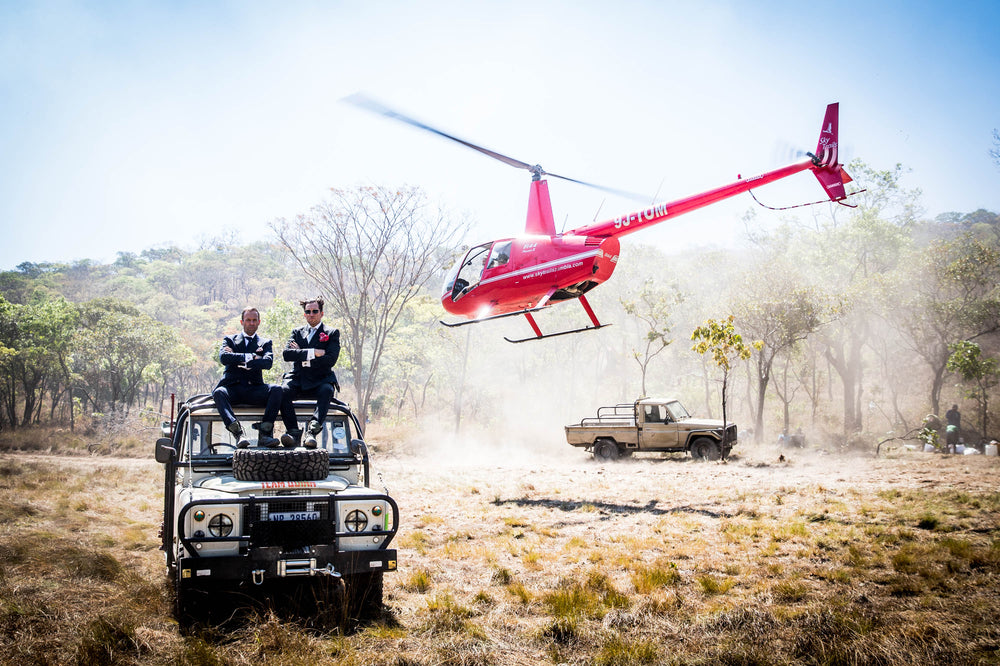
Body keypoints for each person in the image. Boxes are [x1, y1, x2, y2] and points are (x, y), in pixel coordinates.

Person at [212, 307, 282, 448]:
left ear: (259, 322)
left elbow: (268, 363)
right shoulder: (230, 340)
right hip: (233, 388)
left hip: (254, 388)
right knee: (219, 392)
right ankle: (238, 433)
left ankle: (265, 434)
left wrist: (236, 358)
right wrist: (252, 357)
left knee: (277, 389)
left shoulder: (265, 342)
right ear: (242, 322)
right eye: (248, 320)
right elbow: (224, 358)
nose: (251, 323)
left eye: (254, 320)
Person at [279, 297, 341, 448]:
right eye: (308, 311)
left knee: (327, 390)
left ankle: (312, 431)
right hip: (298, 377)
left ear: (321, 313)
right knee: (281, 391)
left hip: (321, 378)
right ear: (304, 314)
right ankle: (293, 431)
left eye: (315, 311)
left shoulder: (331, 333)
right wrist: (314, 352)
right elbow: (287, 355)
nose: (311, 314)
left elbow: (330, 359)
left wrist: (300, 353)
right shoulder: (297, 332)